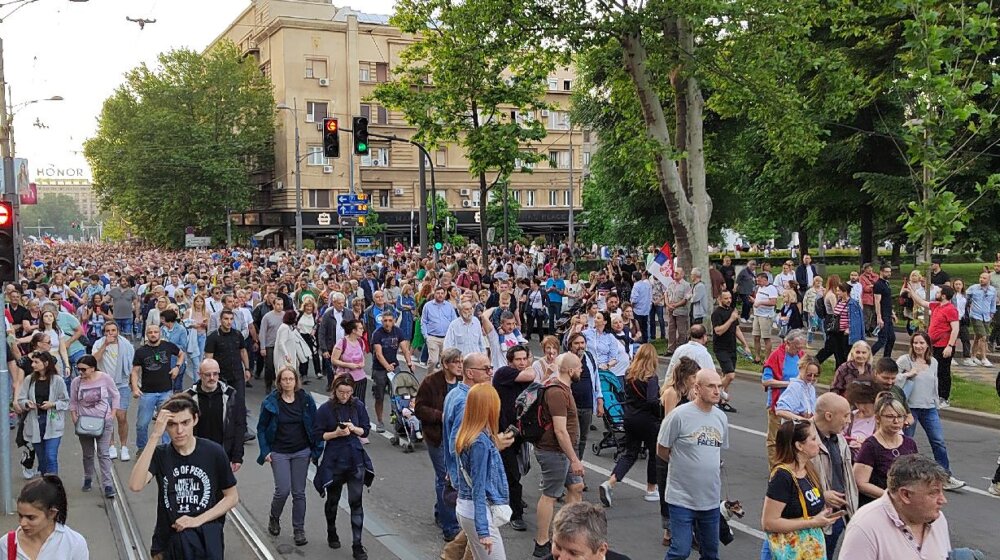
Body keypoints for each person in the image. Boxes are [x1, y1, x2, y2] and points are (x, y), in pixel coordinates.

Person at [128, 394, 239, 559]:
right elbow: (135, 485)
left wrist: (196, 520)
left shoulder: (213, 452)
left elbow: (232, 497)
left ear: (195, 420)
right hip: (168, 541)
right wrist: (155, 436)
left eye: (185, 423)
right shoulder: (160, 454)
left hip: (205, 541)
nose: (179, 431)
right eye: (172, 424)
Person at [657, 369, 728, 560]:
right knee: (680, 550)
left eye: (719, 386)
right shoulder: (679, 416)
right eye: (711, 386)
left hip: (710, 500)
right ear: (697, 388)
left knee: (711, 553)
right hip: (681, 498)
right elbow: (662, 449)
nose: (717, 391)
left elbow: (718, 451)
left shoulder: (721, 418)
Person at [839, 455, 955, 559]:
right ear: (905, 495)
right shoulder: (865, 527)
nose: (943, 500)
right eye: (933, 493)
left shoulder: (938, 520)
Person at [256, 366, 323, 546]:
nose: (287, 382)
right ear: (279, 382)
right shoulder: (271, 401)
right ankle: (274, 517)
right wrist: (265, 451)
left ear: (295, 381)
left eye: (290, 379)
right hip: (279, 451)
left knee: (299, 493)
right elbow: (261, 428)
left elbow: (316, 425)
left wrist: (315, 450)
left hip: (301, 451)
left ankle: (298, 529)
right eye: (284, 379)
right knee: (283, 490)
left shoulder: (305, 399)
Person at [760, 420, 840, 560]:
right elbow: (768, 523)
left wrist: (823, 499)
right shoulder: (782, 477)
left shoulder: (807, 468)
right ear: (799, 446)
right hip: (791, 550)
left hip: (809, 550)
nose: (819, 443)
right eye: (814, 439)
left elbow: (802, 499)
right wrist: (813, 522)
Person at [895, 332, 965, 490]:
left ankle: (945, 476)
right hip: (910, 408)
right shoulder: (905, 360)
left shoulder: (933, 362)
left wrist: (936, 403)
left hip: (929, 408)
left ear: (928, 345)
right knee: (907, 442)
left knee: (938, 441)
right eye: (915, 343)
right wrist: (907, 374)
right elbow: (893, 379)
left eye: (922, 343)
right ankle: (901, 475)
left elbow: (935, 384)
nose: (918, 346)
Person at [314, 375, 372, 559]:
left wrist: (354, 429)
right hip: (334, 461)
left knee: (356, 503)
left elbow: (366, 429)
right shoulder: (325, 409)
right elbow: (318, 435)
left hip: (355, 459)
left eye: (348, 392)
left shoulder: (358, 406)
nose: (345, 395)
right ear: (334, 390)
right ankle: (332, 531)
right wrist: (336, 433)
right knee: (332, 501)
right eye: (341, 392)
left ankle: (357, 544)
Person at [533, 353, 585, 558]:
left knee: (576, 486)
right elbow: (560, 430)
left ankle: (569, 533)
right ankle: (542, 542)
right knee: (550, 495)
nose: (581, 370)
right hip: (553, 452)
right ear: (570, 370)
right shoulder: (557, 392)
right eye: (579, 367)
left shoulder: (564, 388)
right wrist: (574, 459)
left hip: (564, 451)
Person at [599, 344, 661, 507]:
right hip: (647, 420)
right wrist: (659, 413)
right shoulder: (651, 378)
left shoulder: (629, 374)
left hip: (629, 417)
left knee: (630, 453)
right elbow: (652, 400)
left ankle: (610, 482)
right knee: (654, 454)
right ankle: (651, 489)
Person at [454, 383, 510, 560]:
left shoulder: (467, 435)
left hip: (465, 507)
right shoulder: (480, 442)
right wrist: (483, 530)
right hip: (477, 511)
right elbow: (478, 487)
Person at [414, 347, 464, 542]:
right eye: (455, 362)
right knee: (446, 478)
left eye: (461, 362)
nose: (460, 365)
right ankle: (450, 526)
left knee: (450, 477)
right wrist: (441, 416)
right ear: (445, 364)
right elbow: (419, 408)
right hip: (437, 436)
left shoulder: (462, 383)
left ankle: (439, 510)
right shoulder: (431, 382)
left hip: (458, 438)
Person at [655, 357, 699, 546]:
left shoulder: (689, 393)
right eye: (694, 377)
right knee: (668, 488)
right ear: (685, 376)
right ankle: (669, 530)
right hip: (669, 446)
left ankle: (687, 529)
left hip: (686, 447)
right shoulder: (672, 393)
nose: (696, 380)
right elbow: (670, 422)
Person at [492, 344, 536, 532]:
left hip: (521, 433)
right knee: (512, 473)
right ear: (510, 361)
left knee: (520, 469)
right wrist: (534, 364)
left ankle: (511, 498)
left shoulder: (524, 377)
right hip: (505, 433)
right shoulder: (504, 373)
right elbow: (532, 374)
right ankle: (515, 514)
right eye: (518, 359)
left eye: (524, 359)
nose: (522, 362)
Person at [811, 393, 858, 558]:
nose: (849, 421)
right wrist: (821, 495)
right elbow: (788, 479)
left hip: (837, 515)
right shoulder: (800, 439)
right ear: (829, 416)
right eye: (845, 416)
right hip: (811, 517)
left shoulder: (840, 439)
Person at [853, 393, 918, 507]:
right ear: (878, 418)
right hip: (877, 505)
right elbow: (860, 483)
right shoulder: (870, 446)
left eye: (900, 416)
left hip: (905, 505)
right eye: (890, 417)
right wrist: (891, 497)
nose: (896, 421)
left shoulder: (909, 443)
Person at [1, 475, 88, 559]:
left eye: (31, 517)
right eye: (20, 515)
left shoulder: (74, 543)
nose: (22, 523)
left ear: (52, 513)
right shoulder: (6, 544)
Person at [182, 359, 246, 472]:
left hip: (223, 453)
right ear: (199, 375)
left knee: (223, 489)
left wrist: (237, 456)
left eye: (215, 374)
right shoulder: (188, 397)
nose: (212, 378)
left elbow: (239, 425)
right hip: (195, 454)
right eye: (207, 374)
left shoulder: (231, 395)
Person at [69, 355, 120, 498]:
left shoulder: (104, 378)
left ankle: (108, 484)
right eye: (78, 369)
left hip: (103, 421)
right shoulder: (76, 382)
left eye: (83, 370)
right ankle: (88, 477)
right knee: (88, 454)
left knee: (104, 453)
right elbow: (72, 401)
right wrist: (74, 418)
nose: (80, 372)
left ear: (92, 368)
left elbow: (115, 395)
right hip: (84, 423)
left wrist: (113, 413)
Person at [131, 324, 184, 450]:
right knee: (142, 424)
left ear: (160, 333)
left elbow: (181, 354)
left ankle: (166, 449)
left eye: (156, 332)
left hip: (166, 391)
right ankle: (142, 449)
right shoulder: (141, 351)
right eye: (150, 332)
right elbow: (134, 371)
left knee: (167, 422)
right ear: (146, 334)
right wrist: (134, 387)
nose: (153, 334)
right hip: (147, 393)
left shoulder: (168, 346)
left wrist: (177, 367)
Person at [17, 352, 69, 476]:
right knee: (42, 458)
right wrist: (27, 403)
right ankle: (44, 485)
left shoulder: (57, 380)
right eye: (32, 362)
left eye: (36, 362)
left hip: (52, 421)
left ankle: (54, 487)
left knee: (51, 456)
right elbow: (21, 399)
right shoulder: (29, 379)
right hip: (35, 421)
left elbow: (65, 401)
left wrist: (52, 404)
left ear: (45, 364)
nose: (33, 365)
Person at [761, 329, 807, 468]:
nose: (798, 350)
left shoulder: (801, 356)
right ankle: (774, 468)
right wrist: (788, 384)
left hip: (796, 405)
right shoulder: (776, 356)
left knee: (793, 439)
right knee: (775, 439)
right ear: (787, 343)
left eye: (801, 347)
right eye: (796, 347)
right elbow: (766, 381)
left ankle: (791, 467)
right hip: (778, 403)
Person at [92, 321, 135, 462]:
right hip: (104, 385)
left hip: (122, 385)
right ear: (104, 332)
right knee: (108, 418)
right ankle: (111, 445)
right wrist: (105, 345)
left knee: (121, 417)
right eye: (107, 331)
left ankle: (124, 446)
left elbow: (132, 365)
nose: (110, 333)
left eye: (113, 330)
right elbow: (93, 361)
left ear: (118, 331)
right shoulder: (99, 344)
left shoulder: (126, 345)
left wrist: (133, 384)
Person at [371, 310, 413, 432]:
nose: (387, 323)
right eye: (385, 321)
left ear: (394, 321)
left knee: (398, 395)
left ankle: (398, 420)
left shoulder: (397, 331)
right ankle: (379, 421)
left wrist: (409, 362)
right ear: (382, 321)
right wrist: (386, 366)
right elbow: (378, 354)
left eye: (390, 321)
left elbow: (405, 349)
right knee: (379, 397)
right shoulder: (377, 334)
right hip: (379, 369)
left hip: (395, 366)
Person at [711, 290, 748, 413]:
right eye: (726, 298)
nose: (729, 300)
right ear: (720, 299)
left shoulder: (732, 311)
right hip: (721, 348)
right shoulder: (716, 313)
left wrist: (745, 344)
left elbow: (736, 329)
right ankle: (715, 391)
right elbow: (718, 331)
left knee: (726, 376)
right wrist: (731, 319)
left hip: (732, 347)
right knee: (730, 375)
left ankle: (722, 402)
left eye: (730, 298)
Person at [331, 319, 368, 401]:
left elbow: (363, 356)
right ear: (354, 330)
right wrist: (348, 365)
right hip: (345, 380)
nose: (363, 330)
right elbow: (334, 360)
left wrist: (362, 363)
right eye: (360, 328)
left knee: (359, 404)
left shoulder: (361, 342)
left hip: (360, 378)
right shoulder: (342, 342)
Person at [775, 355, 820, 422]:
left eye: (815, 375)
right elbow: (780, 411)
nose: (812, 378)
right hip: (794, 429)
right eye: (809, 375)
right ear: (800, 368)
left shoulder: (810, 388)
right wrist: (801, 419)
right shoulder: (795, 386)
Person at [422, 287, 458, 369]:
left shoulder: (449, 306)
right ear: (434, 294)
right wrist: (426, 336)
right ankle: (429, 378)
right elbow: (423, 321)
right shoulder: (428, 306)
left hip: (446, 338)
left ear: (445, 294)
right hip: (432, 337)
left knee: (445, 362)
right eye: (438, 293)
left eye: (442, 293)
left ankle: (441, 379)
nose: (440, 295)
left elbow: (454, 321)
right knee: (433, 361)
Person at [750, 272, 780, 363]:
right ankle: (757, 357)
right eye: (757, 281)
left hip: (766, 316)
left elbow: (773, 302)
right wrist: (754, 301)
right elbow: (759, 300)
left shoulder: (771, 289)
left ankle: (767, 358)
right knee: (756, 337)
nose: (757, 282)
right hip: (757, 315)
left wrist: (760, 303)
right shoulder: (759, 287)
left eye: (759, 280)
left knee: (766, 338)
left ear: (765, 280)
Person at [870, 265, 896, 357]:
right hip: (883, 315)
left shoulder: (886, 283)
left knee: (891, 338)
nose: (889, 273)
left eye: (889, 271)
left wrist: (892, 313)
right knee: (882, 340)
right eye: (886, 272)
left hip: (888, 314)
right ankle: (868, 356)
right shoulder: (878, 284)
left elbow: (888, 300)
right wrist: (879, 317)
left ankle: (886, 358)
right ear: (881, 272)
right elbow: (877, 301)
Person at [664, 267, 692, 354]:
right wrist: (668, 305)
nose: (675, 274)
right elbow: (666, 294)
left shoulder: (686, 285)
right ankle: (670, 349)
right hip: (671, 311)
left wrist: (675, 305)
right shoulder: (671, 283)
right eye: (674, 273)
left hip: (681, 311)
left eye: (677, 273)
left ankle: (681, 350)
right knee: (671, 330)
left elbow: (686, 299)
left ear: (682, 274)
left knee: (681, 331)